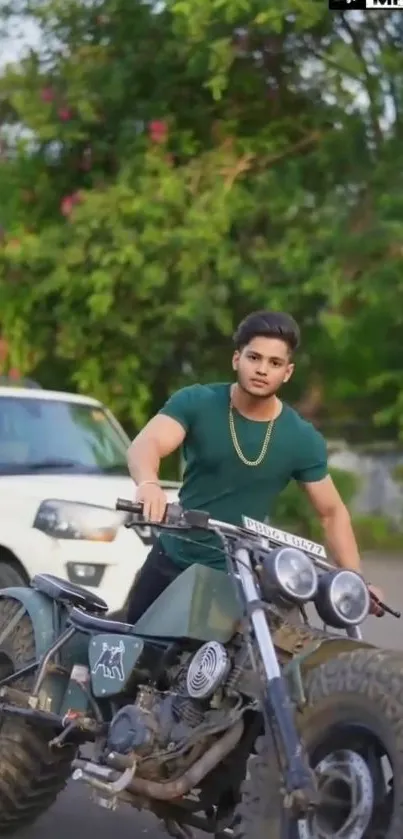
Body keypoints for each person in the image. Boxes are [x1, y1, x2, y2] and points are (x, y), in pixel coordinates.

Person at [126, 310, 384, 623]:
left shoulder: (301, 437)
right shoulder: (197, 401)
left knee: (256, 660)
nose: (262, 369)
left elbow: (331, 513)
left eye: (274, 363)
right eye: (254, 358)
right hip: (175, 557)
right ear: (237, 359)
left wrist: (354, 580)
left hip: (241, 573)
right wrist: (149, 484)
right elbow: (147, 444)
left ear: (287, 372)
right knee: (131, 654)